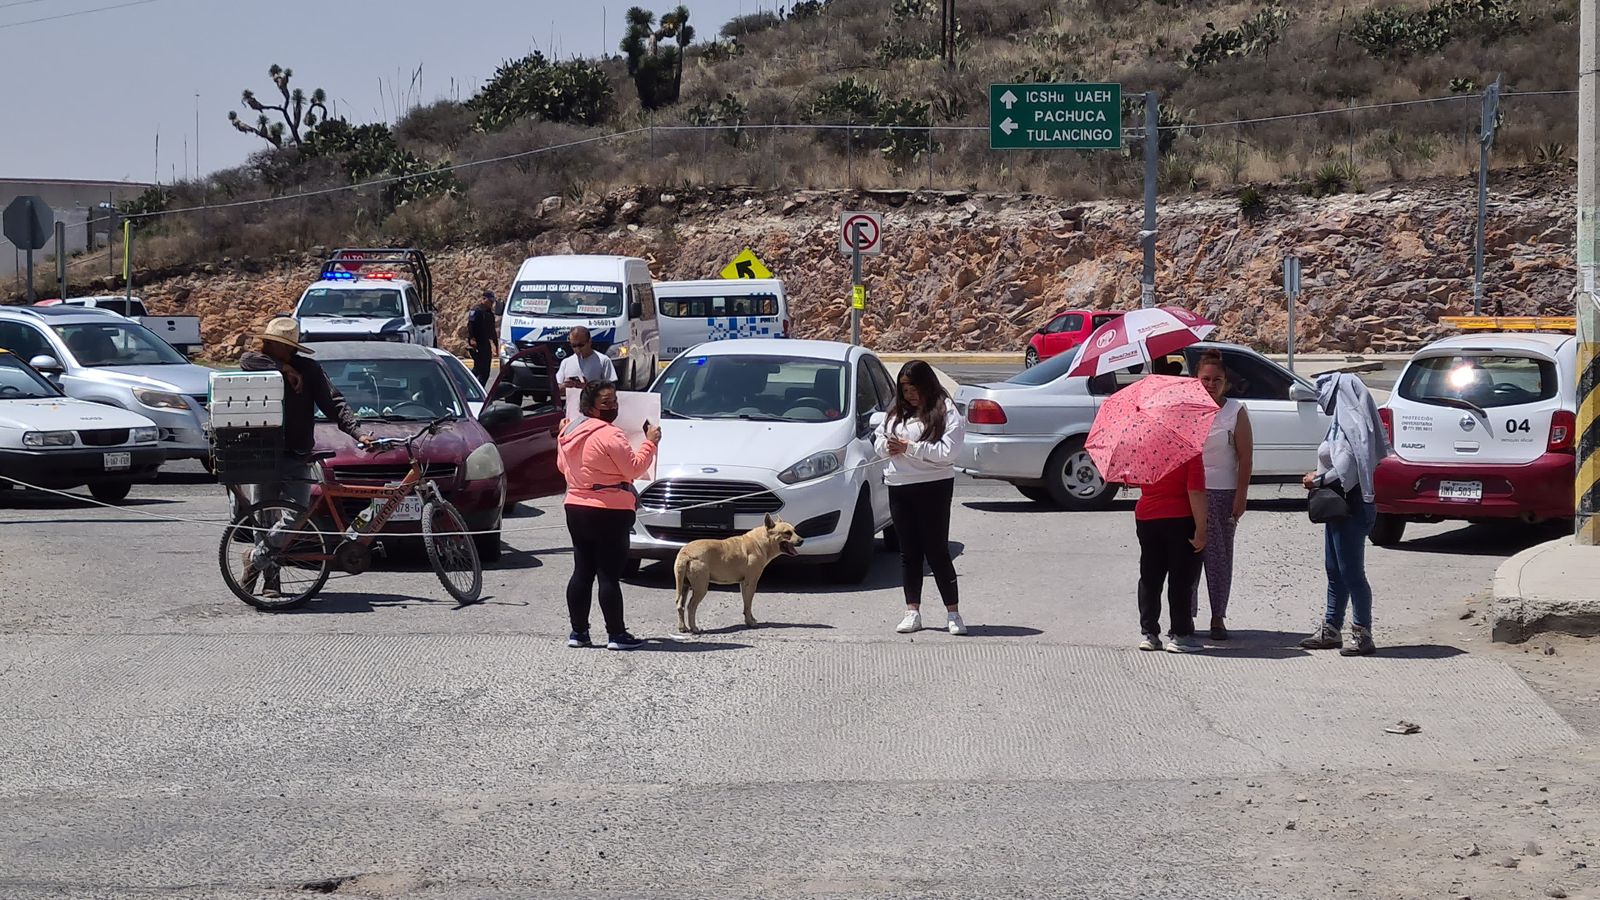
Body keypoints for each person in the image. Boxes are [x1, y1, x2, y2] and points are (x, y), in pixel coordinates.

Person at [237, 317, 374, 593]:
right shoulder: (259, 361)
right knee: (262, 516)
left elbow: (333, 402)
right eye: (275, 345)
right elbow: (245, 361)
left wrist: (357, 432)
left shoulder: (309, 370)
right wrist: (283, 368)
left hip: (298, 453)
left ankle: (254, 558)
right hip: (264, 451)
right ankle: (269, 581)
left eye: (285, 348)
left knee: (297, 515)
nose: (280, 350)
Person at [557, 380, 660, 651]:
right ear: (590, 407)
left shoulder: (567, 429)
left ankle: (578, 632)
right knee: (608, 575)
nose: (613, 406)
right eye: (606, 402)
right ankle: (617, 635)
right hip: (610, 509)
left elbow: (560, 466)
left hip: (576, 505)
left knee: (582, 571)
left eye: (614, 401)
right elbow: (633, 469)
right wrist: (650, 443)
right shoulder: (610, 434)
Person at [1299, 372, 1390, 656]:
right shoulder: (1339, 423)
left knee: (1351, 572)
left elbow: (1346, 472)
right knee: (1334, 569)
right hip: (1338, 506)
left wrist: (1317, 480)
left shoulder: (1353, 426)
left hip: (1351, 504)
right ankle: (1331, 628)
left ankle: (1362, 632)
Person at [875, 360, 968, 635]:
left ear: (927, 385)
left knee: (937, 550)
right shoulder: (895, 413)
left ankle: (953, 613)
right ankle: (912, 611)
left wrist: (910, 448)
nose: (910, 394)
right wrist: (886, 447)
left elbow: (947, 454)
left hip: (934, 486)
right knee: (909, 552)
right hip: (899, 484)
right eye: (904, 389)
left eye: (915, 388)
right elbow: (879, 440)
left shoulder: (946, 411)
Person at [1192, 350, 1252, 640]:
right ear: (1196, 380)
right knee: (1188, 556)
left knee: (1219, 558)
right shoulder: (1187, 409)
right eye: (1205, 379)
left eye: (1217, 379)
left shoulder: (1234, 411)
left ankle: (1217, 617)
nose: (1211, 384)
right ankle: (1185, 614)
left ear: (1226, 382)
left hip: (1222, 493)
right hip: (1191, 493)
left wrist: (1241, 496)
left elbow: (1245, 456)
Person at [1133, 449, 1207, 653]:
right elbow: (1196, 491)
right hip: (1180, 516)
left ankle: (1150, 634)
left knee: (1150, 576)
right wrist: (1202, 530)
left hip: (1147, 516)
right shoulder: (1190, 452)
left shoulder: (1144, 450)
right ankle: (1180, 635)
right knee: (1181, 579)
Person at [556, 326, 617, 396]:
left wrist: (587, 388)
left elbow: (611, 389)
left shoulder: (603, 361)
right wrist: (565, 386)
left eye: (581, 345)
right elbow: (556, 389)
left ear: (589, 341)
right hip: (571, 405)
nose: (578, 349)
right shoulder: (566, 362)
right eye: (574, 346)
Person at [464, 290, 498, 386]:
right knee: (479, 368)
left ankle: (478, 389)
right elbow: (470, 325)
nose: (491, 303)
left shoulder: (489, 314)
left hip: (485, 343)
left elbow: (492, 331)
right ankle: (471, 388)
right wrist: (472, 338)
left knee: (485, 370)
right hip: (477, 343)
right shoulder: (477, 310)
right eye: (490, 301)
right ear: (484, 299)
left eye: (493, 302)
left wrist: (496, 345)